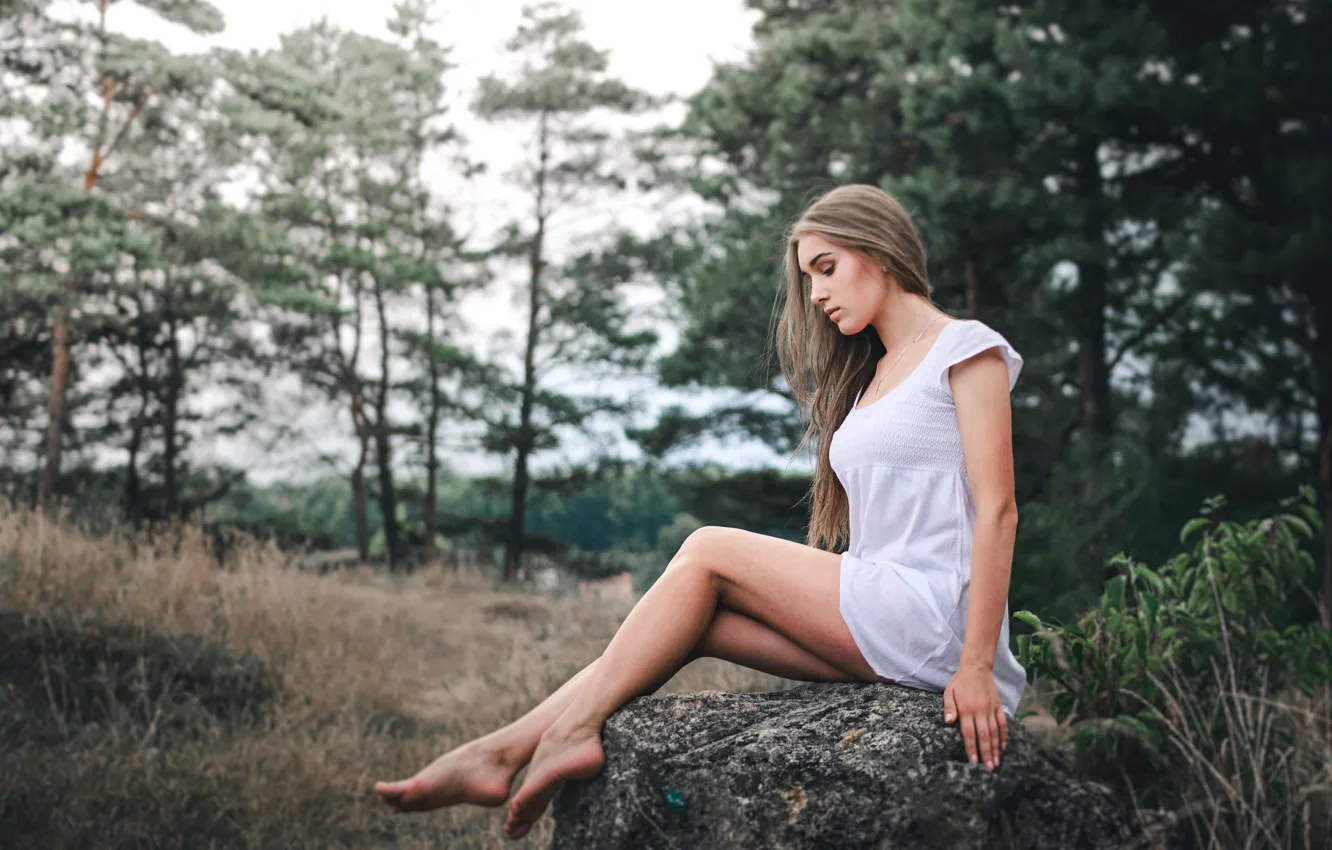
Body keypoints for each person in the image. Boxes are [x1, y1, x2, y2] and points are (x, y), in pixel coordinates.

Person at [374, 183, 1028, 840]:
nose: (815, 294)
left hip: (935, 617)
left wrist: (975, 665)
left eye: (826, 268)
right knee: (692, 621)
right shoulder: (874, 376)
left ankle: (570, 732)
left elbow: (998, 512)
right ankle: (503, 752)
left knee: (709, 547)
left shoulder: (964, 348)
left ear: (879, 250)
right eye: (808, 278)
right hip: (888, 619)